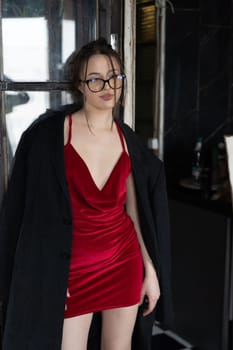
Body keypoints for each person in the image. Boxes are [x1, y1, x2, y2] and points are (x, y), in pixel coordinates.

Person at [0, 38, 173, 350]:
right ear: (78, 84)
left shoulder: (127, 141)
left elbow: (136, 214)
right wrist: (48, 271)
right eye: (95, 79)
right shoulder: (49, 139)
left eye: (114, 76)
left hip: (123, 262)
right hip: (71, 271)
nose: (108, 86)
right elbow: (32, 214)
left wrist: (150, 270)